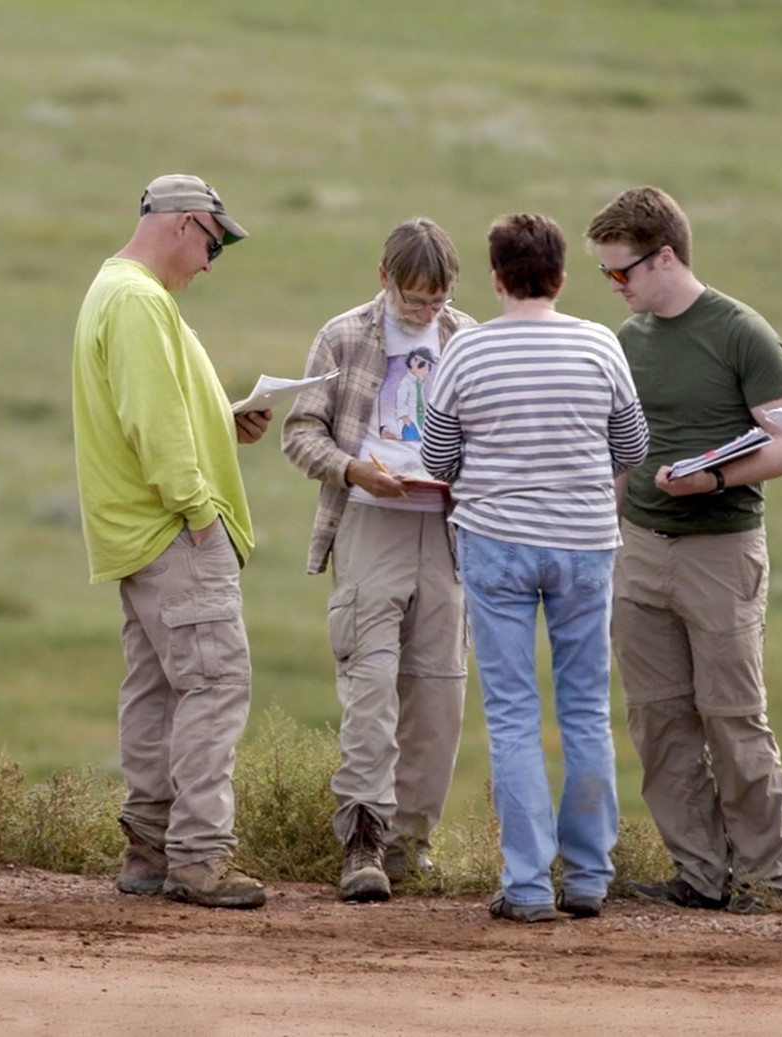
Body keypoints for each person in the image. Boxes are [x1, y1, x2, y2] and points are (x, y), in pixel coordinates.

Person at [421, 212, 649, 922]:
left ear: (496, 279)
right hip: (584, 541)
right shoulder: (599, 344)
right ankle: (587, 874)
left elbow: (436, 457)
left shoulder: (466, 352)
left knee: (513, 713)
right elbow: (633, 445)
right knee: (584, 708)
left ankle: (525, 882)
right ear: (559, 275)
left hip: (496, 540)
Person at [584, 186, 782, 914]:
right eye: (607, 276)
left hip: (721, 548)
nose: (615, 288)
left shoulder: (741, 332)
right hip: (638, 549)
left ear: (666, 256)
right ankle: (699, 872)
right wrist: (603, 540)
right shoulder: (624, 343)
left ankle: (766, 879)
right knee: (657, 718)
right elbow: (613, 454)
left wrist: (713, 475)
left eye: (622, 272)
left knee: (731, 714)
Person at [71, 173, 270, 909]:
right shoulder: (137, 301)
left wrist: (226, 419)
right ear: (185, 223)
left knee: (157, 690)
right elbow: (151, 425)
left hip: (136, 532)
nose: (212, 261)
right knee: (215, 685)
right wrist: (199, 512)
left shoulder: (115, 291)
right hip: (172, 527)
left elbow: (158, 410)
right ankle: (200, 855)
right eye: (214, 242)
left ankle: (149, 848)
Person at [281, 218, 475, 903]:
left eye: (436, 299)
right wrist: (354, 471)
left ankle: (407, 851)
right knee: (370, 687)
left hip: (450, 532)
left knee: (439, 692)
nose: (425, 312)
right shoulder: (342, 336)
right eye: (413, 299)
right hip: (368, 525)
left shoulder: (466, 337)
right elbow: (299, 431)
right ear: (383, 279)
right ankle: (360, 841)